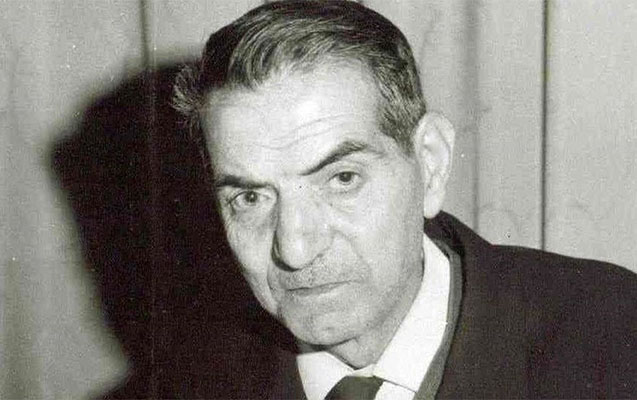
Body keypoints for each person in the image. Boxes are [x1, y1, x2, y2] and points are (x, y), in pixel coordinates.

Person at [169, 1, 637, 398]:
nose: (295, 249)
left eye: (343, 179)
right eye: (251, 197)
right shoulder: (183, 380)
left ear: (430, 163)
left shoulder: (615, 340)